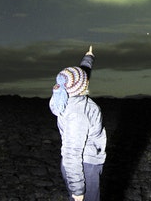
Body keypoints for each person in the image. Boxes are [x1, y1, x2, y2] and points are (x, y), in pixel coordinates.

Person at [49, 46, 106, 201]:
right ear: (83, 86)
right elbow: (71, 154)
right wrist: (78, 190)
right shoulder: (77, 114)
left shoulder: (66, 95)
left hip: (82, 164)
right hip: (83, 166)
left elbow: (80, 74)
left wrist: (89, 57)